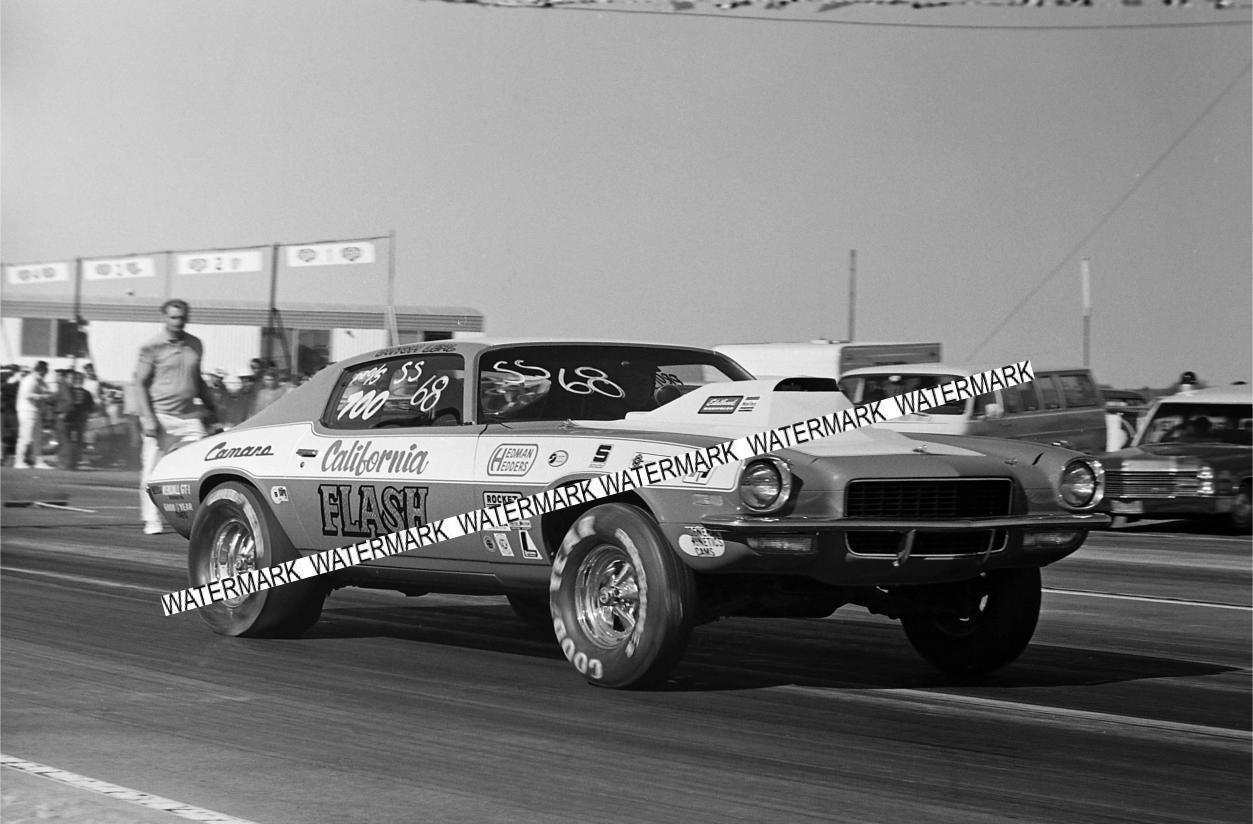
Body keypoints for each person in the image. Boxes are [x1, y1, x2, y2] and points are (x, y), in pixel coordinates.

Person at [135, 299, 219, 534]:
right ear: (164, 318)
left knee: (204, 464)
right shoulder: (152, 346)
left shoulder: (195, 344)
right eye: (173, 317)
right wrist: (148, 417)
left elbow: (197, 379)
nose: (177, 322)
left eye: (181, 317)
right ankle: (151, 519)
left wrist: (212, 406)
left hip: (189, 416)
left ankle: (201, 517)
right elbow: (139, 383)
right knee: (151, 470)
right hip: (160, 415)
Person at [14, 361, 52, 469]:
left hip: (36, 411)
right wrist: (42, 396)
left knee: (37, 438)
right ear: (39, 370)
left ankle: (38, 461)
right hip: (27, 411)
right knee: (25, 437)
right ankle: (19, 461)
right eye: (44, 371)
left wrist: (46, 394)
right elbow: (27, 395)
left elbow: (46, 390)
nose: (45, 373)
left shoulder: (39, 381)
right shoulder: (29, 380)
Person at [56, 370, 96, 470]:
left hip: (69, 419)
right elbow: (91, 408)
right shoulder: (86, 393)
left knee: (66, 441)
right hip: (80, 421)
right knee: (78, 442)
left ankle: (65, 462)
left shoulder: (69, 391)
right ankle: (74, 462)